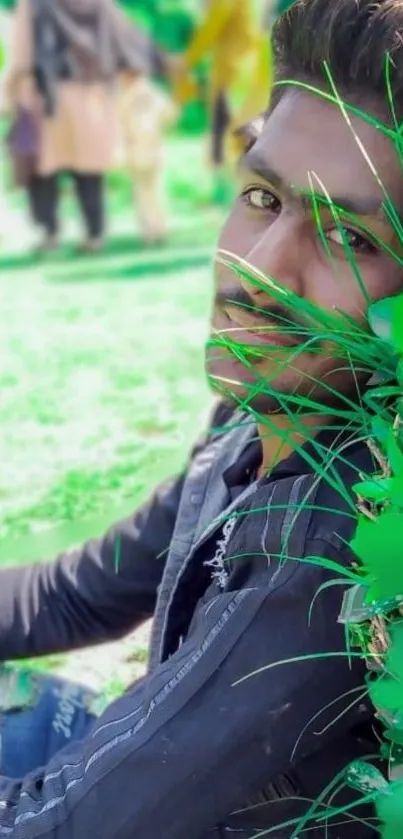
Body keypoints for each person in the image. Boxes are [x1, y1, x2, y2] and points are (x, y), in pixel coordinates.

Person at [0, 0, 402, 835]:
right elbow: (79, 593)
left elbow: (73, 826)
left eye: (350, 239)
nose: (259, 271)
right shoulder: (258, 413)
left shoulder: (343, 537)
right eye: (263, 196)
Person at [5, 0, 165, 254]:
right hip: (94, 94)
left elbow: (22, 54)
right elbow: (124, 37)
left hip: (47, 96)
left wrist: (11, 91)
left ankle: (50, 232)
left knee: (44, 171)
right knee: (89, 170)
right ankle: (95, 233)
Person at [171, 0, 268, 205]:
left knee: (227, 135)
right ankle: (232, 192)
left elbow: (211, 29)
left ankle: (229, 193)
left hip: (232, 73)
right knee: (232, 135)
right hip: (242, 71)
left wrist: (187, 60)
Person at [118, 69, 178, 245]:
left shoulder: (124, 96)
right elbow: (170, 114)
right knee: (155, 189)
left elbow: (119, 121)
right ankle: (159, 227)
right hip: (154, 148)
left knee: (142, 191)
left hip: (137, 149)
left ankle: (150, 229)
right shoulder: (154, 93)